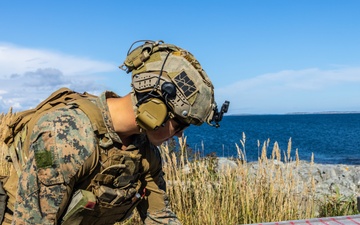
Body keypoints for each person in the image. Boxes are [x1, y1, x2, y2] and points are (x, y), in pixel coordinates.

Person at [0, 40, 229, 224]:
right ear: (155, 106)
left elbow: (160, 217)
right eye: (179, 124)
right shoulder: (66, 136)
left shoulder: (144, 151)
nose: (179, 135)